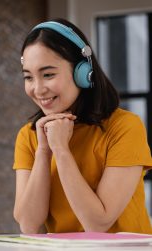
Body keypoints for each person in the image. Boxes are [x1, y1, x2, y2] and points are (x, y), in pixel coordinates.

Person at [13, 18, 152, 234]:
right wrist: (43, 151)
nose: (37, 89)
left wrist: (61, 149)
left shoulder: (124, 127)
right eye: (28, 77)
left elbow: (98, 224)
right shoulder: (30, 136)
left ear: (83, 73)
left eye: (48, 74)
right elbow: (29, 225)